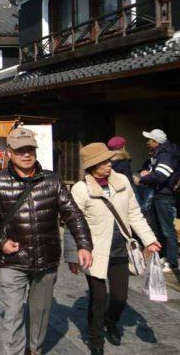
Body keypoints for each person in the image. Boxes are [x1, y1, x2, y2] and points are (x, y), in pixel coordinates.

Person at [0, 126, 93, 355]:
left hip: (46, 258)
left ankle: (35, 350)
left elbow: (73, 214)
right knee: (14, 313)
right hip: (12, 259)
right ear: (9, 152)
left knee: (41, 312)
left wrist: (83, 245)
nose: (26, 154)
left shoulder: (52, 180)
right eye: (20, 150)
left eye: (30, 149)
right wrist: (0, 241)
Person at [64, 143, 160, 354]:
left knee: (119, 297)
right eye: (104, 162)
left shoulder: (121, 181)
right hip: (94, 252)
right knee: (98, 300)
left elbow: (134, 213)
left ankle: (111, 320)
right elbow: (73, 222)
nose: (109, 165)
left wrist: (149, 239)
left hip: (120, 249)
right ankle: (95, 341)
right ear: (92, 165)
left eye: (109, 161)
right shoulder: (82, 189)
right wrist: (73, 255)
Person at [138, 128, 180, 272]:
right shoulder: (158, 153)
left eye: (149, 140)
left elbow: (161, 175)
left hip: (165, 196)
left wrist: (143, 178)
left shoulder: (167, 154)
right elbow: (151, 170)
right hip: (158, 194)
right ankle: (162, 256)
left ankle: (172, 262)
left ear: (156, 142)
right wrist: (146, 172)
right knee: (157, 228)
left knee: (168, 230)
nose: (147, 142)